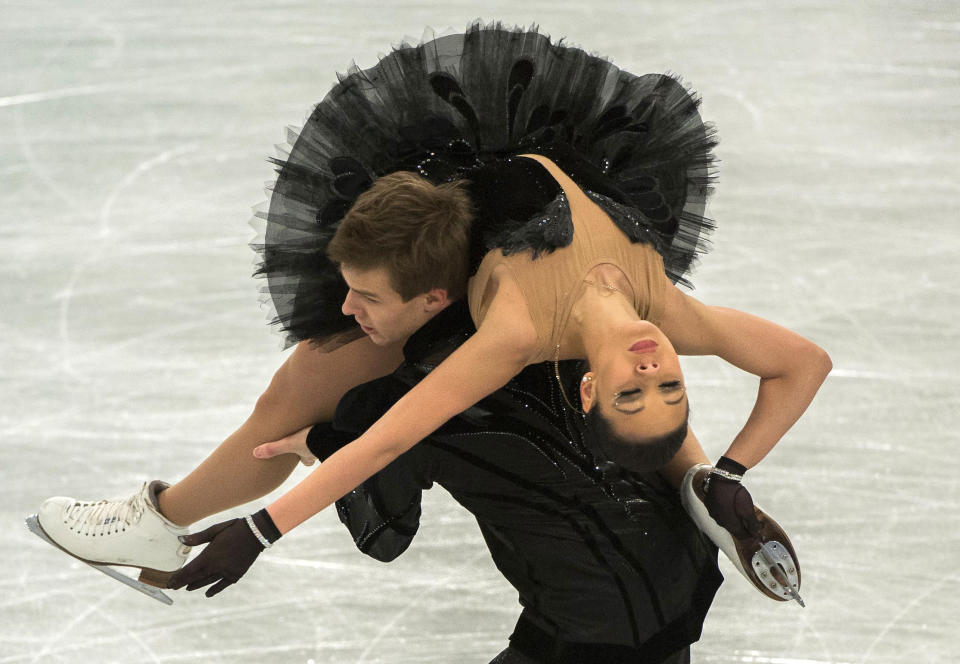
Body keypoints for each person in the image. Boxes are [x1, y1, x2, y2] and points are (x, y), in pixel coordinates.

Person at [33, 22, 828, 613]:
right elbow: (803, 364)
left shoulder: (516, 334)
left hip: (438, 263)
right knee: (304, 383)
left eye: (632, 391)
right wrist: (730, 473)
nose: (655, 370)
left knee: (304, 385)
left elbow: (394, 435)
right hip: (456, 160)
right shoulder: (669, 310)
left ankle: (158, 519)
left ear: (593, 388)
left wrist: (263, 530)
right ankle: (693, 480)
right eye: (669, 387)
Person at [257, 300, 723, 663]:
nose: (349, 310)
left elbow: (385, 534)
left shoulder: (408, 407)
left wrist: (333, 443)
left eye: (370, 299)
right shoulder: (553, 321)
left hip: (584, 631)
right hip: (679, 583)